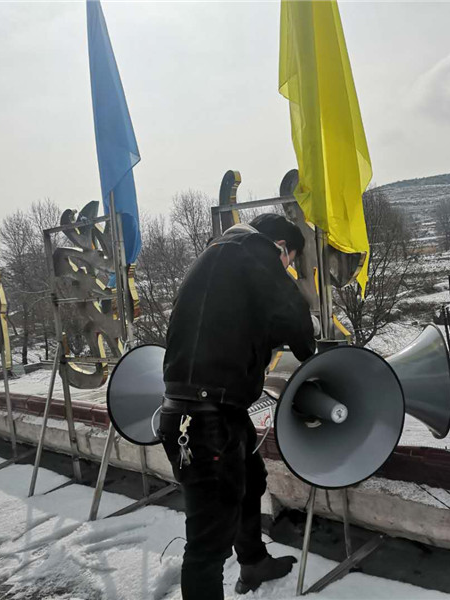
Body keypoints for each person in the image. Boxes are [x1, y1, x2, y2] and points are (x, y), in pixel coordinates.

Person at [160, 213, 316, 600]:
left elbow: (237, 324)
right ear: (282, 247)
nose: (287, 269)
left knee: (251, 479)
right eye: (290, 262)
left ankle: (253, 561)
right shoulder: (256, 249)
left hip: (201, 410)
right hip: (205, 420)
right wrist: (306, 325)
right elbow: (297, 326)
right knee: (207, 545)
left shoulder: (217, 256)